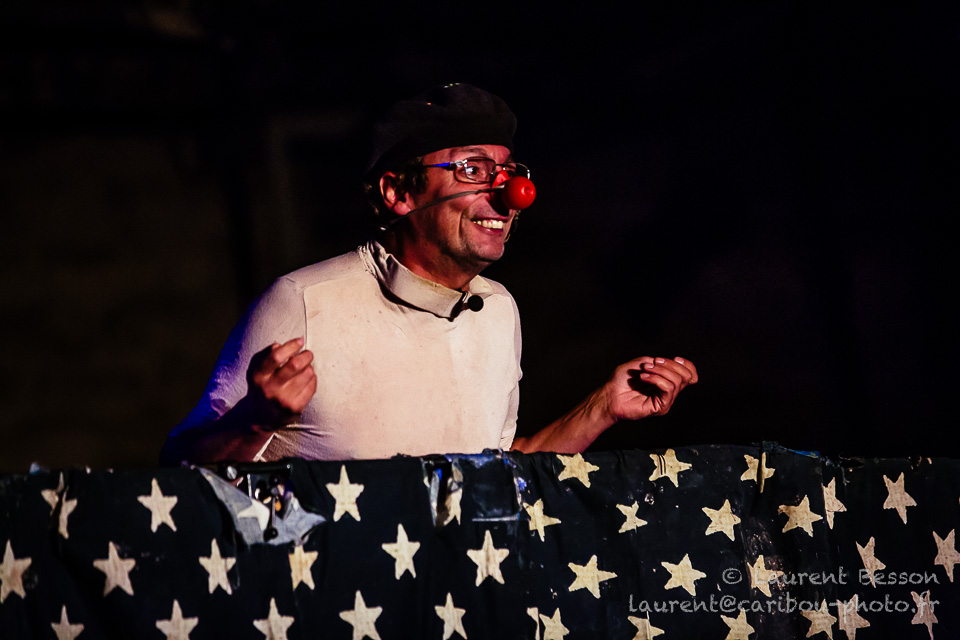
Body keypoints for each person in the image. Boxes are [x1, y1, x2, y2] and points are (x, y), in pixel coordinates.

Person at [160, 83, 697, 466]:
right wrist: (255, 419)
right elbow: (180, 467)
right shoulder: (303, 301)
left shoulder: (499, 310)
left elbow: (495, 474)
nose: (509, 194)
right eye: (473, 169)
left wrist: (602, 407)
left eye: (508, 172)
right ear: (398, 191)